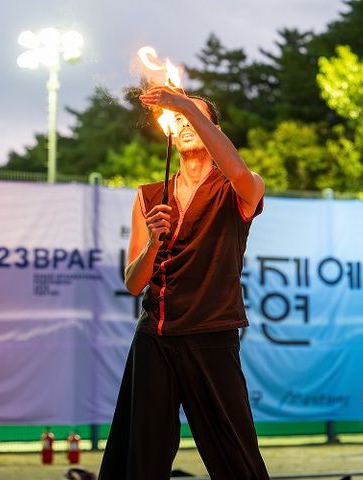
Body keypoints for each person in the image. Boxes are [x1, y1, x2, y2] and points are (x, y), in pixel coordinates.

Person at [97, 87, 269, 479]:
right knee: (140, 450)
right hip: (154, 336)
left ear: (213, 129)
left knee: (234, 450)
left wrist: (185, 104)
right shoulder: (149, 196)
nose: (185, 123)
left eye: (195, 117)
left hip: (212, 332)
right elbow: (133, 281)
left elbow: (238, 171)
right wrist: (155, 242)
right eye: (178, 119)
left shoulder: (240, 187)